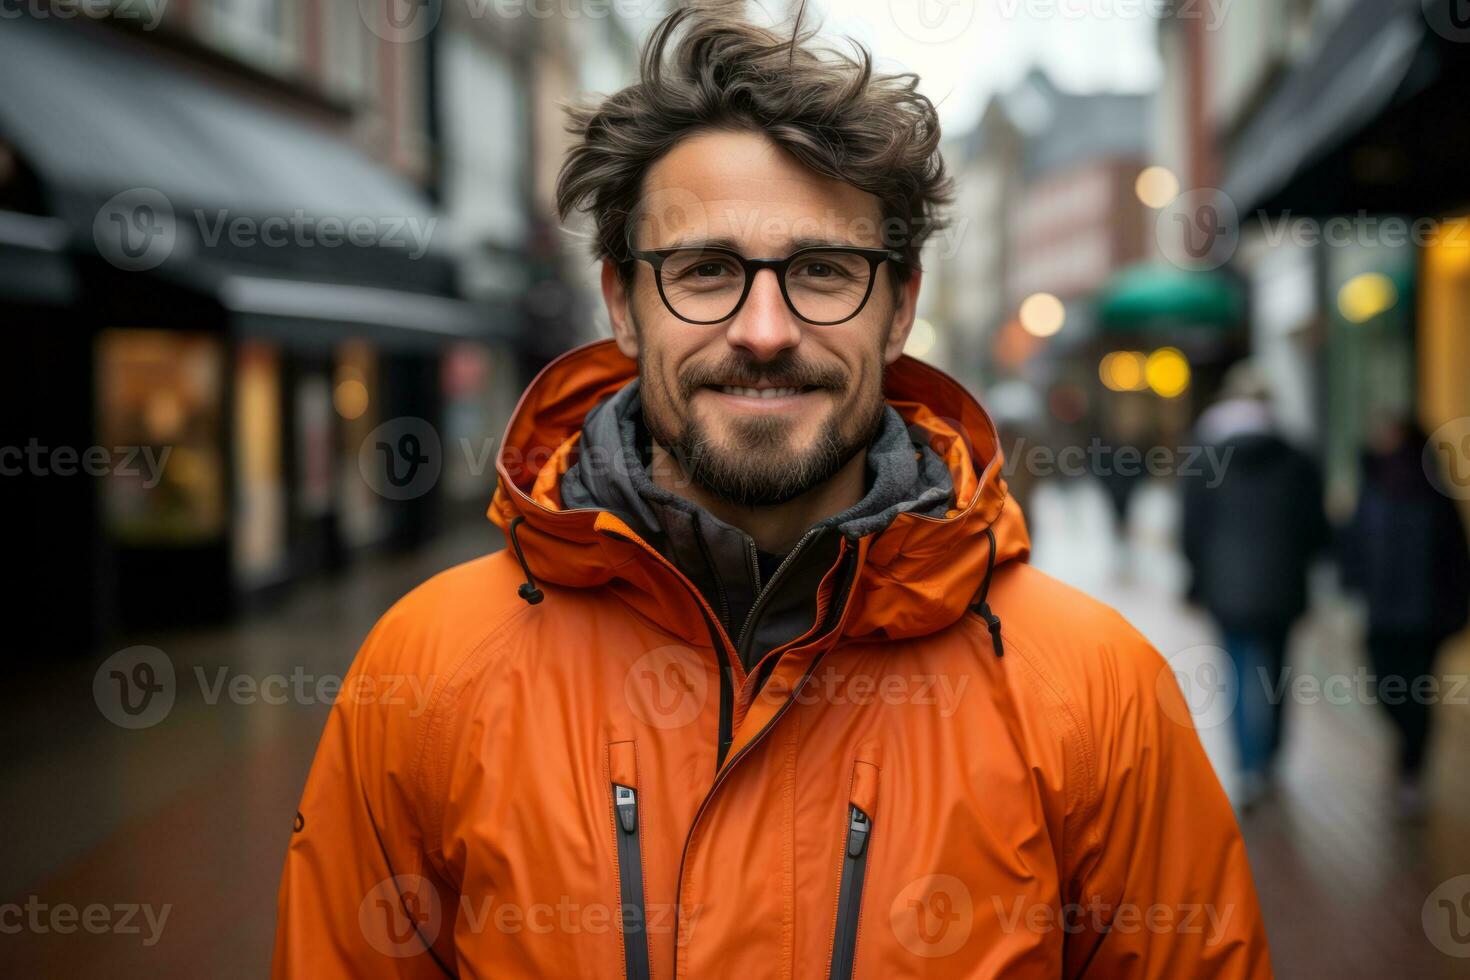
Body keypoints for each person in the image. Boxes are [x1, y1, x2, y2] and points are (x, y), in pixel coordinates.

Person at [273, 7, 1270, 977]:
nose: (762, 329)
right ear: (623, 301)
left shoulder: (1097, 695)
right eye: (705, 271)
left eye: (822, 270)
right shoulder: (427, 675)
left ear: (899, 306)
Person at [1183, 362, 1330, 809]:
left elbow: (1191, 527)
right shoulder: (1298, 455)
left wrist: (1195, 575)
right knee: (1277, 673)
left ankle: (1248, 765)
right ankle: (1270, 758)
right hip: (1284, 585)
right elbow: (1316, 529)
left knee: (1238, 670)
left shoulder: (1207, 455)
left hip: (1226, 585)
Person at [1342, 415, 1470, 817]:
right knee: (1384, 688)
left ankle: (1412, 769)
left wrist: (1455, 610)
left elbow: (1455, 558)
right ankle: (1407, 751)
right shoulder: (1372, 488)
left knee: (1416, 694)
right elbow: (1354, 543)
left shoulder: (1435, 496)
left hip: (1424, 617)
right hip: (1382, 615)